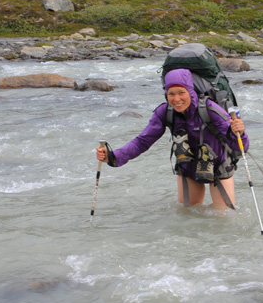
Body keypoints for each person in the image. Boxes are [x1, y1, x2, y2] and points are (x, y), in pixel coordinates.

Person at [96, 68, 248, 209]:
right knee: (189, 216)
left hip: (219, 165)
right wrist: (112, 156)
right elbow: (143, 141)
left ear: (190, 91)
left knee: (223, 218)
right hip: (188, 166)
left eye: (181, 92)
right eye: (171, 93)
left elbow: (241, 146)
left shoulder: (210, 109)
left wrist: (240, 133)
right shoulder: (165, 112)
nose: (176, 99)